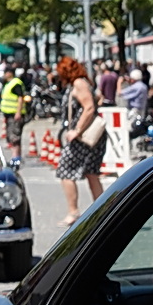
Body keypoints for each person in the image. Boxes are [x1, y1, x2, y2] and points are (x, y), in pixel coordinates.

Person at [53, 56, 104, 225]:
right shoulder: (83, 82)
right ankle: (103, 210)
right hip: (91, 135)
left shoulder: (78, 84)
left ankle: (73, 211)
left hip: (84, 136)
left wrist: (77, 130)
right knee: (91, 173)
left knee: (65, 170)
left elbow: (89, 107)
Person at [0, 66, 27, 160]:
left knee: (15, 136)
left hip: (15, 114)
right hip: (9, 114)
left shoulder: (16, 83)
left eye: (5, 72)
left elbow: (20, 98)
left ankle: (16, 157)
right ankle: (16, 156)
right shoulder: (8, 84)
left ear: (9, 73)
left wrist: (18, 112)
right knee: (11, 136)